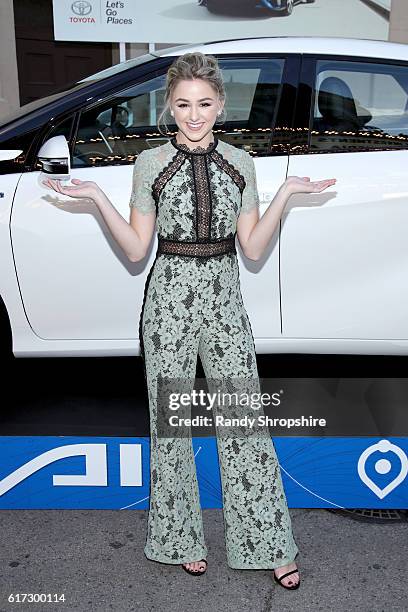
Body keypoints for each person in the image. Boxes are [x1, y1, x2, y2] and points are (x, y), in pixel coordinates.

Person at [43, 51, 336, 590]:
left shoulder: (240, 163)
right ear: (168, 107)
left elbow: (251, 248)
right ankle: (179, 539)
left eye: (204, 104)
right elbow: (136, 250)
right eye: (183, 105)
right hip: (168, 302)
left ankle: (268, 543)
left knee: (242, 422)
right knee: (171, 426)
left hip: (224, 299)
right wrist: (95, 199)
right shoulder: (149, 164)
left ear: (220, 104)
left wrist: (287, 197)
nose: (194, 114)